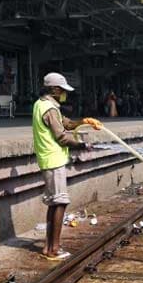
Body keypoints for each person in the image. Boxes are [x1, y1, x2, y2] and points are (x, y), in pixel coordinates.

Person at [32, 72, 103, 260]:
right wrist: (82, 145)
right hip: (53, 160)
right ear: (54, 89)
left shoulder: (44, 105)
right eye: (63, 90)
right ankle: (54, 249)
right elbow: (61, 136)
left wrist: (85, 121)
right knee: (61, 202)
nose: (65, 94)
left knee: (54, 203)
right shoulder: (49, 109)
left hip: (48, 159)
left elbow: (68, 124)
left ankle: (49, 247)